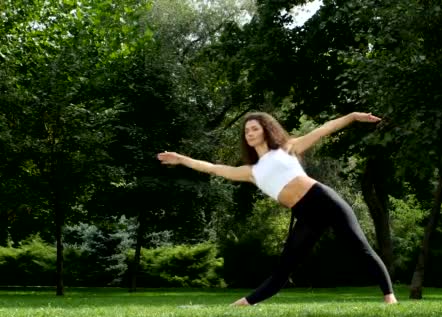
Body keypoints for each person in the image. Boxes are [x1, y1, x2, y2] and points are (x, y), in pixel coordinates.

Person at [157, 111, 398, 305]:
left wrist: (353, 116)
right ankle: (244, 304)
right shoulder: (250, 172)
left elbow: (324, 129)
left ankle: (390, 298)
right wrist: (181, 160)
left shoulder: (287, 148)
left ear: (265, 130)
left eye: (254, 128)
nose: (249, 133)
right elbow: (211, 167)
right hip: (304, 214)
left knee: (361, 248)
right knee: (284, 268)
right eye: (246, 130)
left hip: (324, 199)